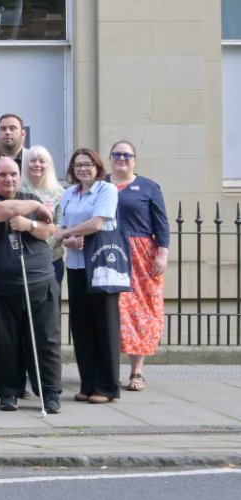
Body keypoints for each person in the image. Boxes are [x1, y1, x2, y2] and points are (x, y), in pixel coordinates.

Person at [0, 157, 63, 413]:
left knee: (45, 340)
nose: (9, 179)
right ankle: (9, 392)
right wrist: (34, 205)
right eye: (2, 175)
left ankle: (49, 392)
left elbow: (50, 230)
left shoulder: (26, 196)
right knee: (5, 341)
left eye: (13, 174)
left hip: (38, 280)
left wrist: (30, 224)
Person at [54, 148, 121, 404]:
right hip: (76, 266)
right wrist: (69, 238)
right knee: (81, 325)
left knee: (104, 324)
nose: (82, 168)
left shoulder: (107, 190)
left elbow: (97, 223)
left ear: (97, 166)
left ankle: (106, 387)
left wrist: (66, 234)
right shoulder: (69, 193)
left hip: (102, 266)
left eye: (88, 164)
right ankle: (88, 383)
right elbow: (61, 225)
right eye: (78, 164)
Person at [109, 140, 168, 393]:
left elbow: (161, 223)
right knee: (111, 310)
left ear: (135, 159)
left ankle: (136, 371)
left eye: (127, 154)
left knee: (140, 311)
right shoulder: (101, 185)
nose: (121, 158)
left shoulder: (148, 187)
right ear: (110, 158)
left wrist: (162, 254)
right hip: (109, 251)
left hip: (142, 256)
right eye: (117, 154)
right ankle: (107, 370)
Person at [21, 144, 65, 283]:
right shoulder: (17, 191)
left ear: (49, 165)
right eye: (32, 160)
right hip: (23, 261)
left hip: (51, 260)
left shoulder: (60, 193)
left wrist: (41, 249)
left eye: (42, 161)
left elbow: (60, 226)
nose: (37, 164)